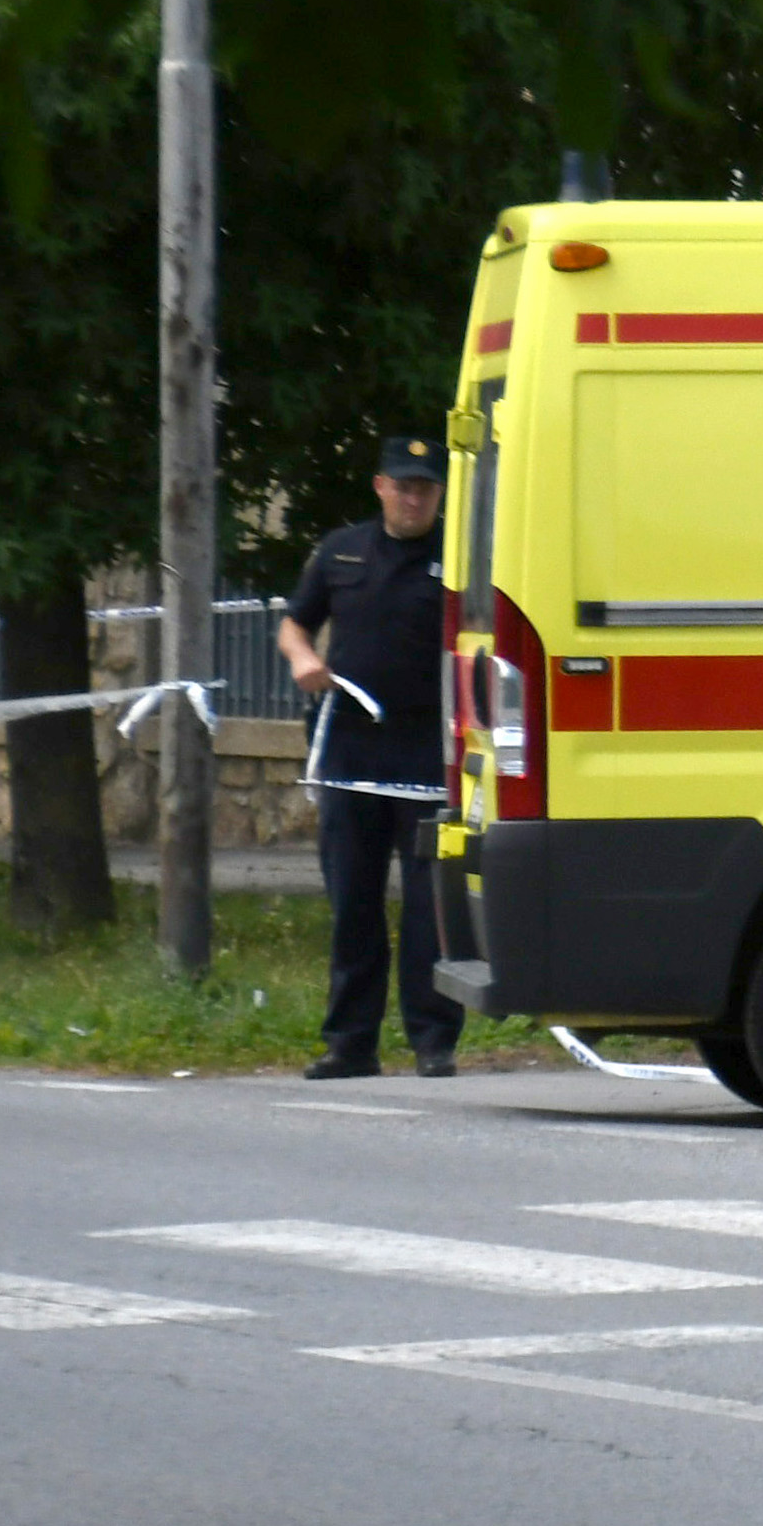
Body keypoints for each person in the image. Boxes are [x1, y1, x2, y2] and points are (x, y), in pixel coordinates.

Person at [278, 435, 457, 1078]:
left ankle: (433, 1042)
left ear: (440, 493)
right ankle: (350, 1044)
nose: (413, 497)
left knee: (428, 909)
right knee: (353, 902)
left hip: (427, 751)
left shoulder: (459, 556)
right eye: (402, 484)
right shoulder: (340, 550)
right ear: (380, 486)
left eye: (425, 487)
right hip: (351, 748)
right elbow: (295, 621)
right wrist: (303, 659)